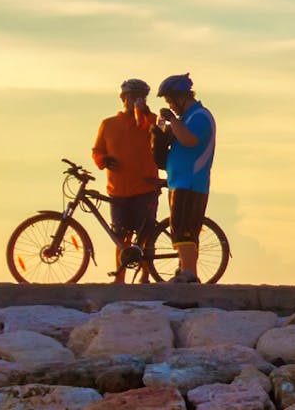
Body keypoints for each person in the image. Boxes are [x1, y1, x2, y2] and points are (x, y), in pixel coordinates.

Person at [92, 78, 161, 283]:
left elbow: (152, 133)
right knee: (121, 237)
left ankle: (146, 276)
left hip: (146, 186)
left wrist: (145, 113)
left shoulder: (151, 120)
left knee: (147, 234)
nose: (137, 100)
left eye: (142, 96)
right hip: (118, 189)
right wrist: (103, 160)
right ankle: (120, 277)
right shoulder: (108, 124)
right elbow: (97, 151)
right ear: (123, 98)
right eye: (133, 96)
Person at [156, 73, 216, 284]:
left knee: (185, 230)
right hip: (180, 182)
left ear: (182, 97)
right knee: (180, 229)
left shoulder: (200, 116)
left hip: (191, 183)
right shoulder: (186, 118)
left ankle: (189, 273)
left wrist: (172, 121)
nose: (171, 105)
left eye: (171, 101)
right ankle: (185, 269)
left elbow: (190, 140)